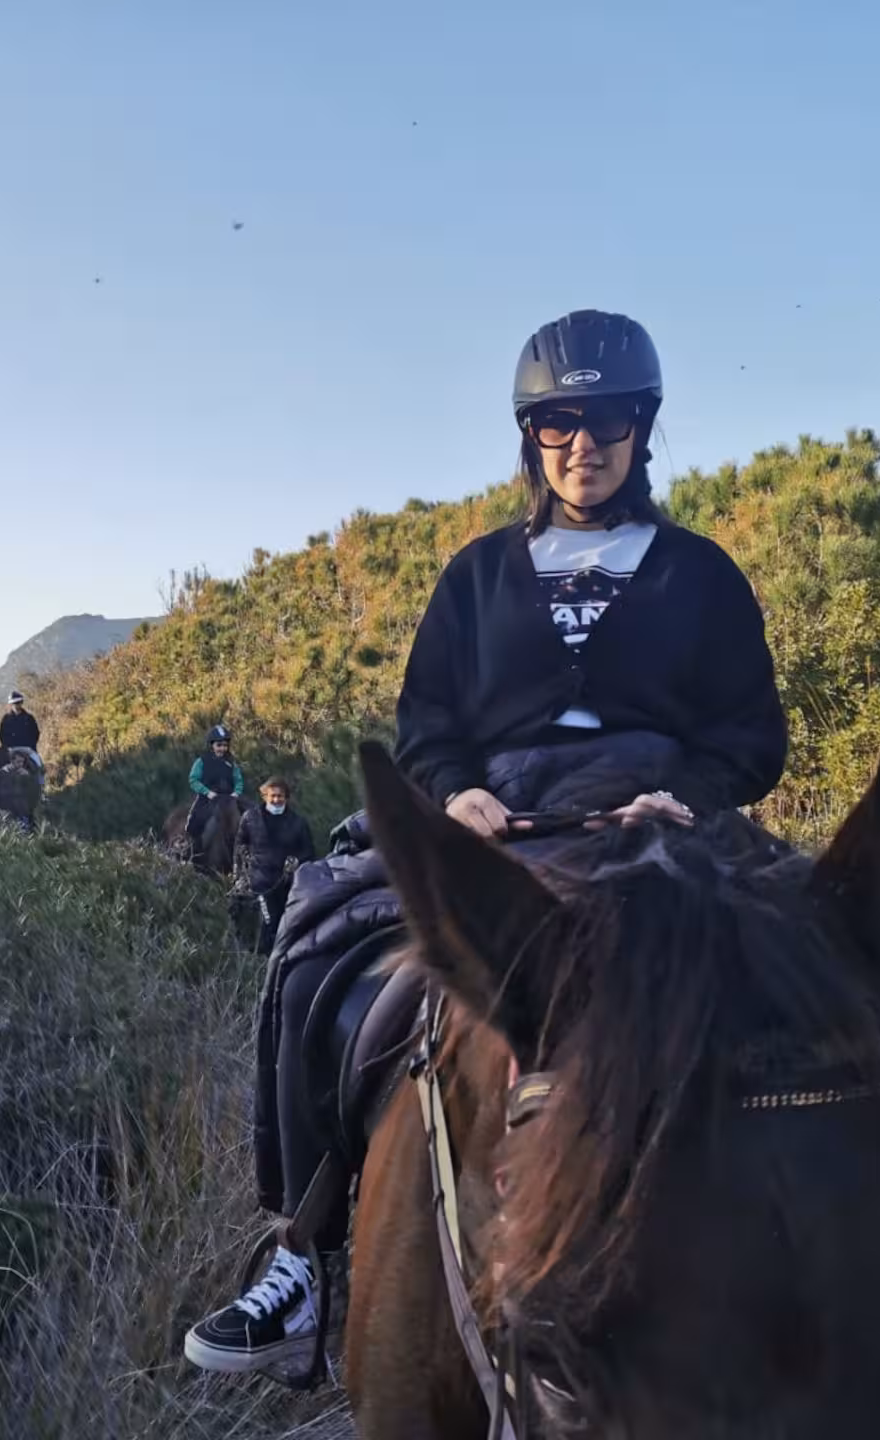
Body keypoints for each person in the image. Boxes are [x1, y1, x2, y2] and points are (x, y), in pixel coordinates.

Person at [183, 308, 789, 1376]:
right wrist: (454, 791)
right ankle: (302, 1256)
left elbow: (750, 733)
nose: (583, 443)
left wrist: (681, 793)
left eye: (607, 419)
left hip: (655, 814)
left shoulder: (702, 573)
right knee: (317, 936)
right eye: (558, 420)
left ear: (643, 428)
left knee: (828, 957)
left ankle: (842, 1237)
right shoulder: (474, 575)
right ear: (530, 434)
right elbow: (427, 723)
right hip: (497, 809)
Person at [238, 778, 317, 955]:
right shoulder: (250, 818)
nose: (276, 800)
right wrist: (243, 868)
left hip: (289, 886)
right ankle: (261, 964)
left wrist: (297, 862)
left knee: (287, 928)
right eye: (272, 796)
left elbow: (309, 853)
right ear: (265, 796)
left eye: (280, 796)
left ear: (286, 798)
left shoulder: (298, 823)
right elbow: (240, 844)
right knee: (267, 926)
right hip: (259, 883)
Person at [186, 725, 246, 852]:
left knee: (250, 814)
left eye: (225, 745)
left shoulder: (231, 763)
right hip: (208, 798)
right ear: (212, 745)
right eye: (219, 745)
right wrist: (206, 792)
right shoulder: (201, 761)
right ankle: (189, 849)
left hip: (229, 799)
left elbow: (238, 780)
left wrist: (237, 792)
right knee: (193, 821)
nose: (222, 748)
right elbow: (193, 780)